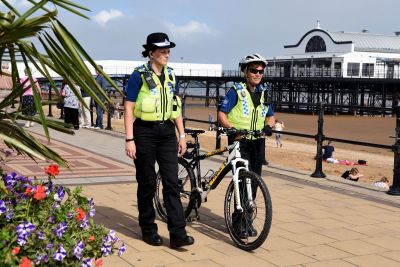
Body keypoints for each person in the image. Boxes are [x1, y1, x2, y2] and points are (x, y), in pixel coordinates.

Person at [124, 32, 194, 249]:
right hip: (144, 132)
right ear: (151, 53)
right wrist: (129, 139)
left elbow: (176, 108)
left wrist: (181, 135)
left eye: (168, 51)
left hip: (166, 133)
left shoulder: (172, 75)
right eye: (163, 51)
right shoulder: (138, 75)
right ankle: (148, 229)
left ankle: (177, 234)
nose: (167, 55)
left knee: (172, 182)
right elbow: (128, 108)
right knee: (146, 183)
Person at [218, 53, 274, 238]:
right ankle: (239, 223)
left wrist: (269, 126)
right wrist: (232, 128)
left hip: (258, 142)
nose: (257, 74)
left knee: (254, 182)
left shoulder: (264, 93)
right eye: (253, 70)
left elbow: (270, 116)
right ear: (245, 71)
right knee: (242, 181)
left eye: (260, 71)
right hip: (240, 140)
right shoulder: (235, 91)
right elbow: (222, 114)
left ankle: (247, 220)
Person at [94, 65, 108, 130]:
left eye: (96, 69)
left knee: (99, 111)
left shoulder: (103, 77)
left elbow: (104, 88)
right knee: (97, 111)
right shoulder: (97, 77)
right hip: (96, 96)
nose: (95, 70)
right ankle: (97, 124)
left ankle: (100, 125)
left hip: (100, 96)